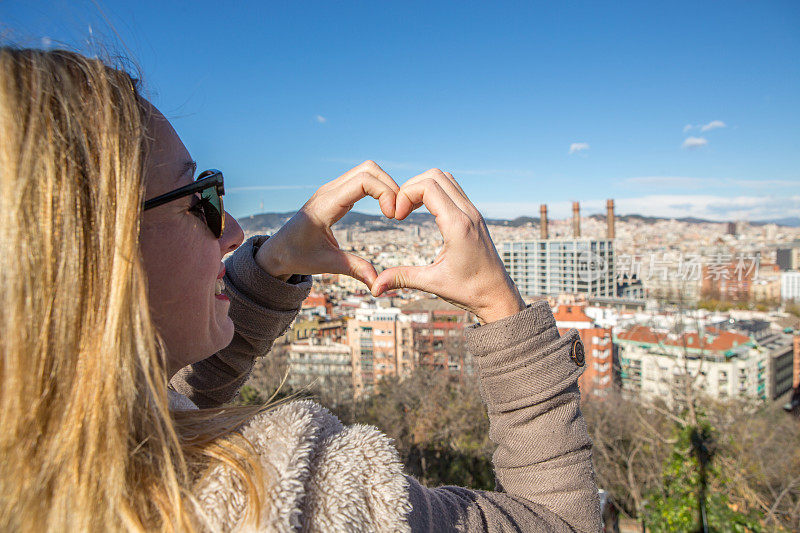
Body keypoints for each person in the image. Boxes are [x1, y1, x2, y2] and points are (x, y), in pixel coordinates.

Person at [0, 47, 600, 532]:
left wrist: (272, 268)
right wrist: (499, 306)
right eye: (199, 198)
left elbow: (174, 406)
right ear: (91, 254)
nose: (233, 229)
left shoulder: (43, 465)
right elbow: (562, 523)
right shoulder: (301, 498)